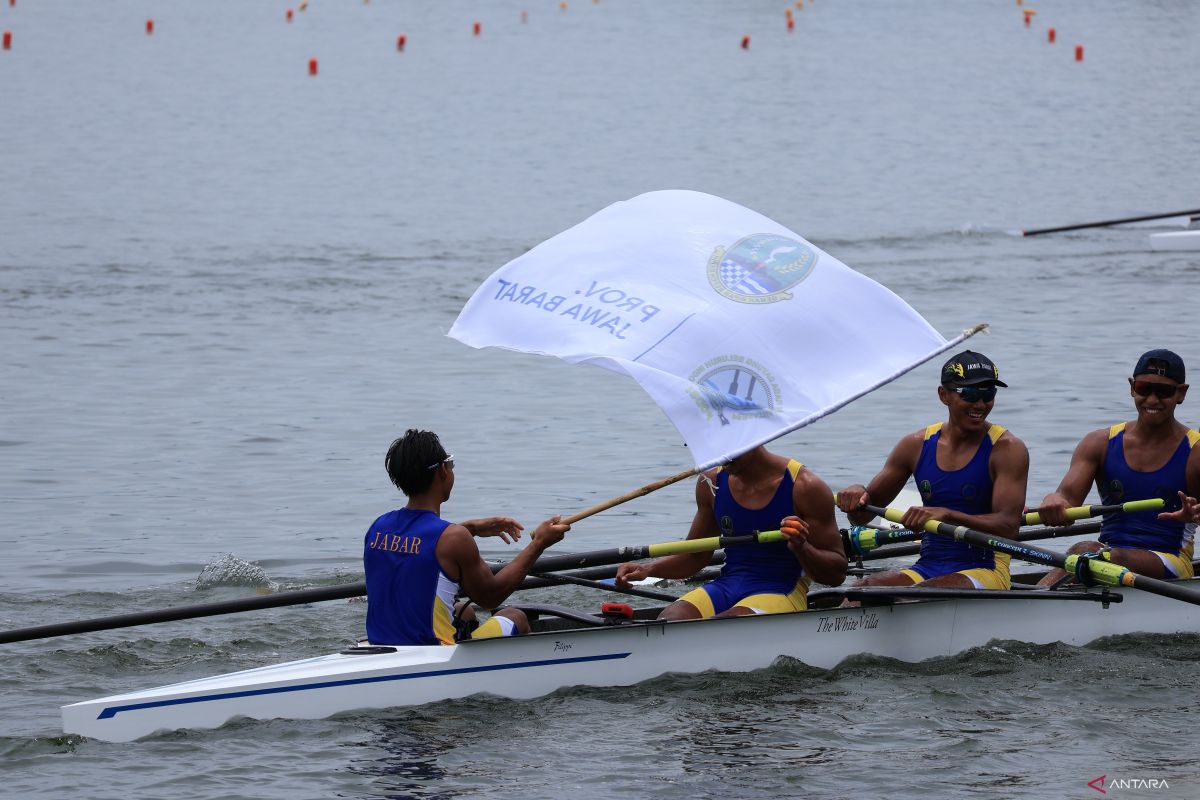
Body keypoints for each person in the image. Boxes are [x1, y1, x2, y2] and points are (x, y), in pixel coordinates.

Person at [836, 350, 1029, 590]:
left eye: (988, 394)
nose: (980, 404)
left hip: (986, 568)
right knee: (861, 590)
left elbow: (1009, 527)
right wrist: (857, 494)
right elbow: (861, 516)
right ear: (943, 395)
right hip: (928, 567)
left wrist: (948, 515)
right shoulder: (914, 446)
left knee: (923, 593)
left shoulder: (1007, 449)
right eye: (969, 394)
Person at [363, 429, 571, 646]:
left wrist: (470, 528)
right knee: (514, 616)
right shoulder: (454, 539)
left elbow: (419, 547)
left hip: (381, 646)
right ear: (443, 471)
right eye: (450, 463)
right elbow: (491, 596)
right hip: (432, 654)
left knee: (466, 613)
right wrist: (539, 543)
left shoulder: (378, 527)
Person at [613, 445, 846, 619]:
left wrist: (801, 547)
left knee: (724, 625)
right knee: (668, 621)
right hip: (727, 584)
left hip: (781, 589)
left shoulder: (805, 487)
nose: (718, 456)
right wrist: (647, 569)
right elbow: (696, 555)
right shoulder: (711, 483)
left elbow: (836, 574)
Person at [1035, 349, 1200, 586]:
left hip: (1169, 559)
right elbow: (1066, 498)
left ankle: (1033, 607)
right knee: (1090, 556)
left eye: (1164, 391)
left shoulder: (1195, 451)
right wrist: (1053, 500)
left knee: (1085, 552)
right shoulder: (1098, 443)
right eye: (1144, 388)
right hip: (1108, 555)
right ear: (1132, 387)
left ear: (1181, 393)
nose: (1152, 400)